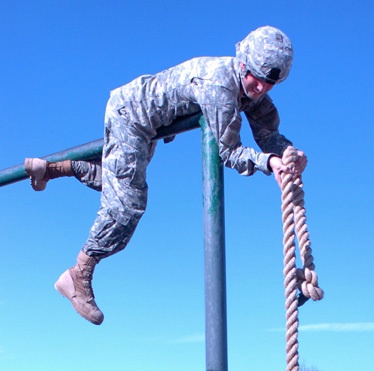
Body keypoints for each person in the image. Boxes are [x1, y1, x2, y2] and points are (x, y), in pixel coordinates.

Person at [24, 25, 307, 326]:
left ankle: (52, 169)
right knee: (126, 206)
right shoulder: (220, 86)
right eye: (256, 78)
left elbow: (267, 131)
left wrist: (288, 153)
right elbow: (229, 152)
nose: (261, 88)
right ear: (243, 63)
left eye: (268, 83)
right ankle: (78, 274)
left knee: (116, 185)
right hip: (132, 117)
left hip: (146, 125)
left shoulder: (249, 89)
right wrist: (268, 163)